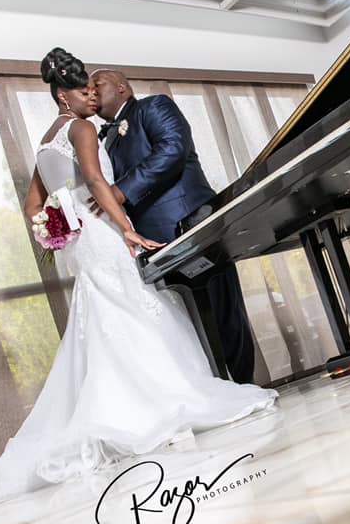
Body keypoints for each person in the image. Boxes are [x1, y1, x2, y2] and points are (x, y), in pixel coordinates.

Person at [0, 48, 277, 503]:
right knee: (137, 310)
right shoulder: (83, 128)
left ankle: (120, 407)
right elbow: (93, 180)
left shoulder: (46, 141)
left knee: (108, 319)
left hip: (82, 245)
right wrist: (126, 230)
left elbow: (33, 206)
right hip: (105, 236)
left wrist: (59, 224)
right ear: (67, 95)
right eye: (86, 90)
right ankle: (159, 404)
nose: (92, 97)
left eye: (96, 89)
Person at [89, 68, 257, 384]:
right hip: (153, 242)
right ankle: (218, 391)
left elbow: (172, 148)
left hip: (191, 222)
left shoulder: (154, 106)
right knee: (188, 322)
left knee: (223, 311)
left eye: (97, 84)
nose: (91, 92)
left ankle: (246, 386)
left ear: (122, 87)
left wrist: (120, 191)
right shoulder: (108, 141)